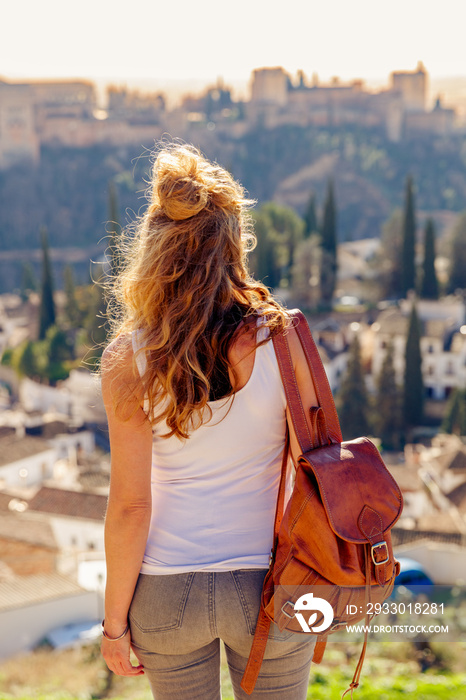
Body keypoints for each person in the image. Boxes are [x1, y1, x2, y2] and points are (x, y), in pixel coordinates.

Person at [100, 143, 318, 699]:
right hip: (271, 584)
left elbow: (130, 506)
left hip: (166, 594)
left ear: (153, 250)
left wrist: (113, 625)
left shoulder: (129, 357)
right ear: (233, 245)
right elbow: (308, 467)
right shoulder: (285, 338)